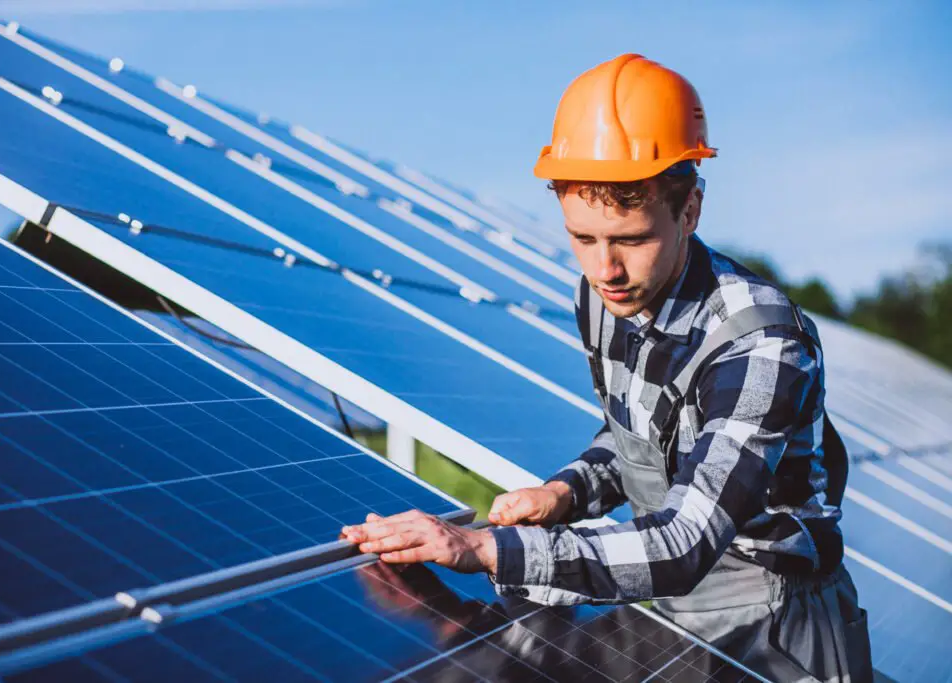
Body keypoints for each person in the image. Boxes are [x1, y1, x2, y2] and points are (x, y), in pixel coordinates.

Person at [342, 53, 872, 682]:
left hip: (774, 625)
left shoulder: (761, 342)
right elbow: (640, 437)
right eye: (583, 238)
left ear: (690, 211)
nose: (605, 270)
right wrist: (565, 490)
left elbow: (685, 543)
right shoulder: (601, 298)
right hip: (672, 603)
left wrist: (484, 547)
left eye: (631, 239)